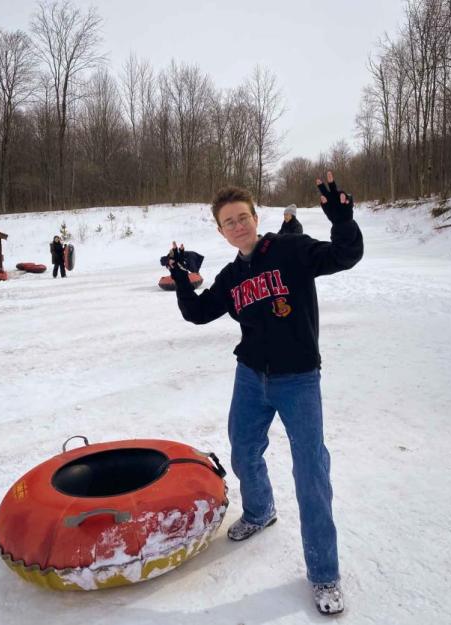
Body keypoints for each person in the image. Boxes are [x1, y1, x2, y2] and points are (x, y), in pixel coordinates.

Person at [165, 172, 363, 615]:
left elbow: (346, 254)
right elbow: (198, 313)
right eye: (228, 222)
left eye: (242, 218)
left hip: (298, 379)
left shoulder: (291, 250)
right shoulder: (233, 276)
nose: (237, 226)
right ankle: (259, 511)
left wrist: (341, 217)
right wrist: (181, 280)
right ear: (221, 232)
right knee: (243, 450)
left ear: (256, 218)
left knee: (311, 472)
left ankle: (324, 575)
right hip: (251, 376)